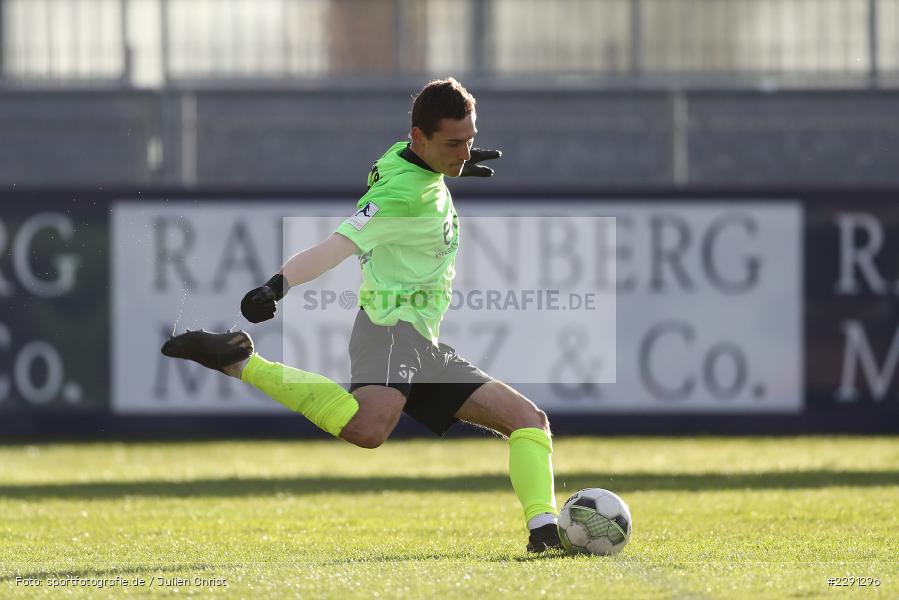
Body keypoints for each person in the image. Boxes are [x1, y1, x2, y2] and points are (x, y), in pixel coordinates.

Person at [161, 77, 561, 552]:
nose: (463, 151)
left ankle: (545, 534)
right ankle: (240, 360)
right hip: (390, 330)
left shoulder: (407, 158)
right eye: (453, 144)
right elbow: (335, 249)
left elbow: (410, 167)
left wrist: (450, 163)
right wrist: (277, 286)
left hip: (421, 339)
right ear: (419, 138)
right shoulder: (399, 197)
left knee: (528, 421)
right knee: (369, 431)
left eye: (469, 140)